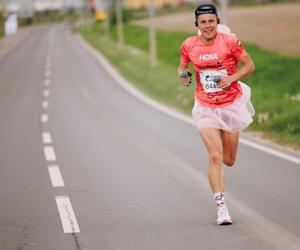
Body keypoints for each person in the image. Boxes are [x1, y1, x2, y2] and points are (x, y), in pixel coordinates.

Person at [178, 3, 255, 225]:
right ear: (197, 24)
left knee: (229, 160)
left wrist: (231, 78)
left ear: (217, 21)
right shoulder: (189, 45)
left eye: (211, 21)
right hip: (205, 106)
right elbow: (182, 67)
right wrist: (184, 76)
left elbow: (249, 65)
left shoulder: (229, 42)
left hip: (230, 105)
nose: (208, 25)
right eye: (203, 22)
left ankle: (224, 135)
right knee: (215, 156)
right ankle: (221, 208)